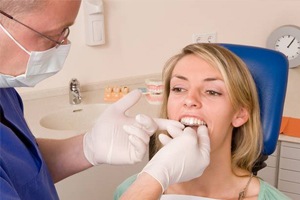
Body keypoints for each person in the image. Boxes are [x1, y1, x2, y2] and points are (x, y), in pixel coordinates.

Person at [1, 1, 210, 199]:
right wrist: (154, 178)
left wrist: (87, 147)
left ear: (241, 112)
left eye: (212, 91)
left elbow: (22, 167)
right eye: (51, 36)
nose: (62, 45)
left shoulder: (5, 91)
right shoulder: (128, 189)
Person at [114, 43, 291, 200]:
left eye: (212, 92)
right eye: (178, 88)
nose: (190, 99)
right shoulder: (132, 190)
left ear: (239, 114)